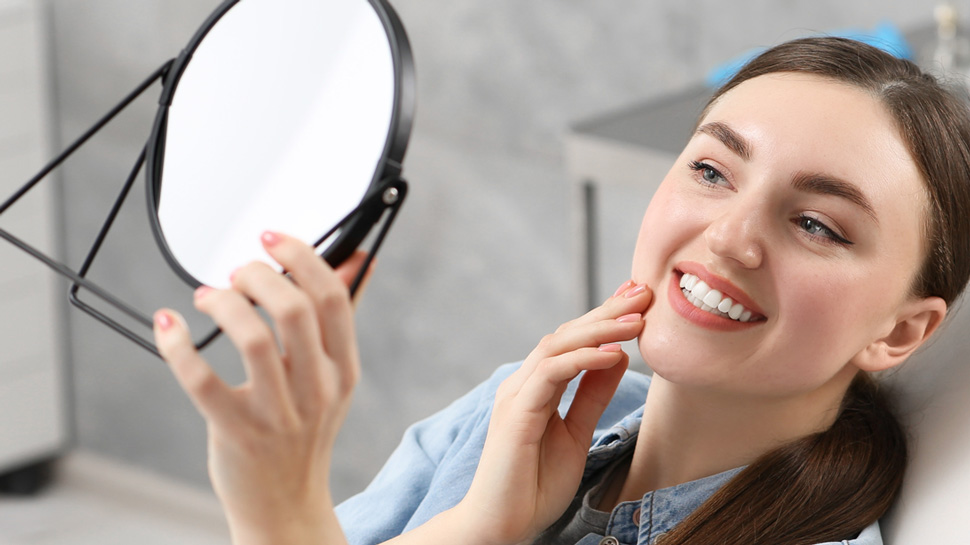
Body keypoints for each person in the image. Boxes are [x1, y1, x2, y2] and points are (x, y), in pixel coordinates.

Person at [151, 36, 970, 545]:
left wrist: (278, 509)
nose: (729, 238)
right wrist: (475, 528)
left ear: (899, 333)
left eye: (818, 224)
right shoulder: (513, 410)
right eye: (712, 170)